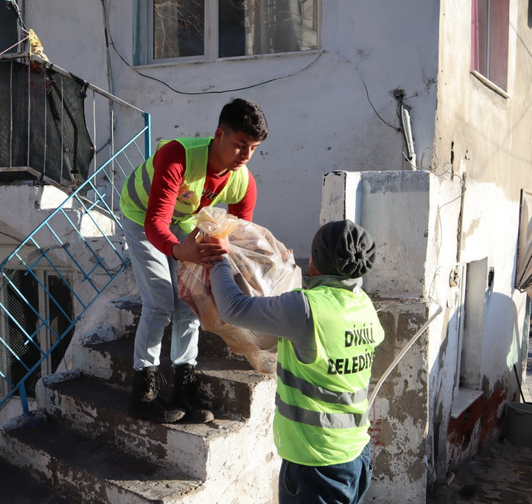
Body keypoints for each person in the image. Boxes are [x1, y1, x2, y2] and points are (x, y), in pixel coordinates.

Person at [209, 220, 384, 504]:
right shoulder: (362, 304)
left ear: (317, 258)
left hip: (316, 463)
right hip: (356, 455)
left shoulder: (305, 309)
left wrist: (219, 258)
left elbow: (233, 308)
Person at [120, 98, 269, 424]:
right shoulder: (178, 155)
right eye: (240, 144)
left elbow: (238, 237)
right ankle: (143, 389)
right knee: (159, 299)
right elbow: (155, 222)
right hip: (141, 215)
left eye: (253, 148)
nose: (245, 156)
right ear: (219, 134)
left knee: (191, 300)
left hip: (185, 222)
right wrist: (178, 252)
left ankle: (183, 383)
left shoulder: (243, 182)